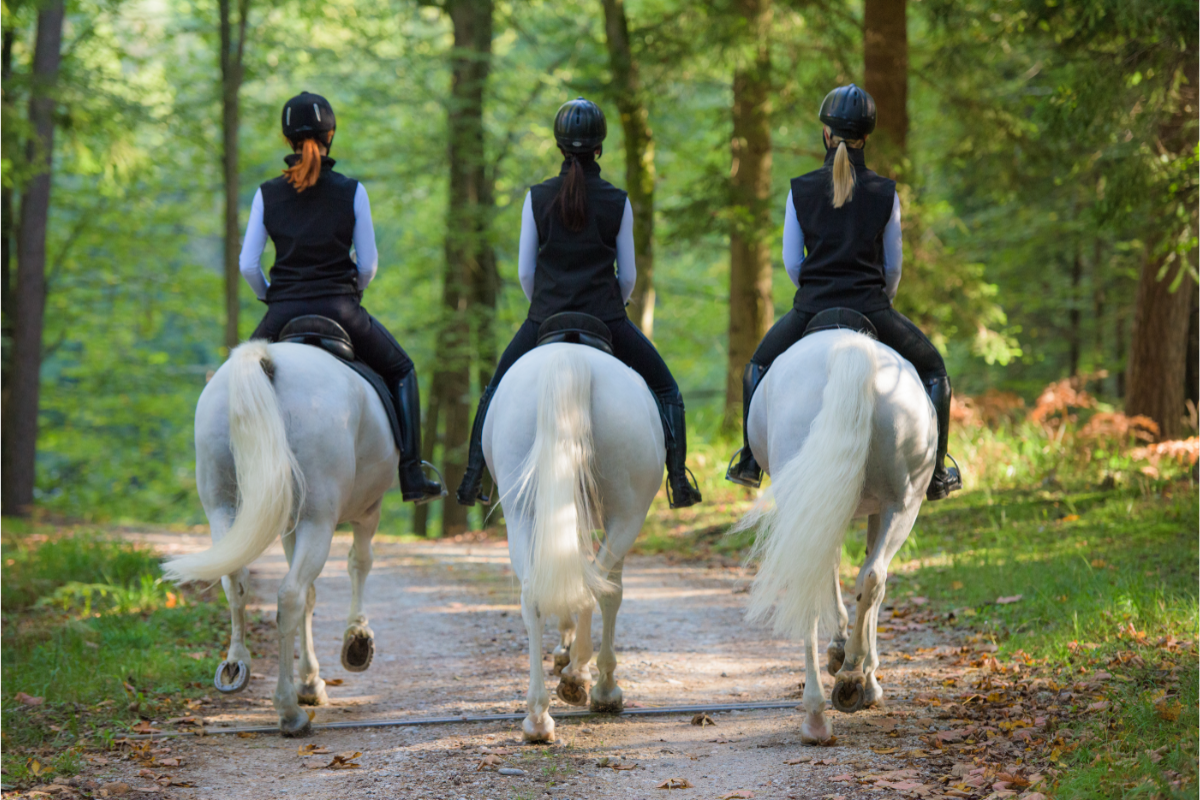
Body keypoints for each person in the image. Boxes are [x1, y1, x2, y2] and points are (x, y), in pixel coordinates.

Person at [456, 97, 703, 509]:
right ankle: (678, 481)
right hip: (605, 317)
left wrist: (544, 308)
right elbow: (628, 277)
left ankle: (470, 480)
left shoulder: (535, 198)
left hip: (545, 318)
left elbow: (524, 273)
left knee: (494, 391)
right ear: (599, 147)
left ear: (559, 146)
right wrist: (613, 308)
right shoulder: (617, 201)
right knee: (667, 390)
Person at [725, 84, 962, 501]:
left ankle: (748, 460)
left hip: (812, 307)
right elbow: (893, 267)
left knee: (756, 369)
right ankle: (939, 470)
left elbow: (792, 262)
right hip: (872, 307)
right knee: (934, 370)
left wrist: (815, 291)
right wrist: (879, 298)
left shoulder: (799, 190)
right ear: (865, 138)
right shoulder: (885, 193)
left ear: (825, 133)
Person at [239, 91, 444, 504]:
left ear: (287, 140)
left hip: (282, 314)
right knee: (403, 369)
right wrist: (353, 292)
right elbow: (367, 264)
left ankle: (234, 479)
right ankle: (411, 475)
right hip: (341, 309)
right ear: (331, 135)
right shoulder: (352, 191)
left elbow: (248, 265)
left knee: (234, 380)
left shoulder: (266, 193)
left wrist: (272, 299)